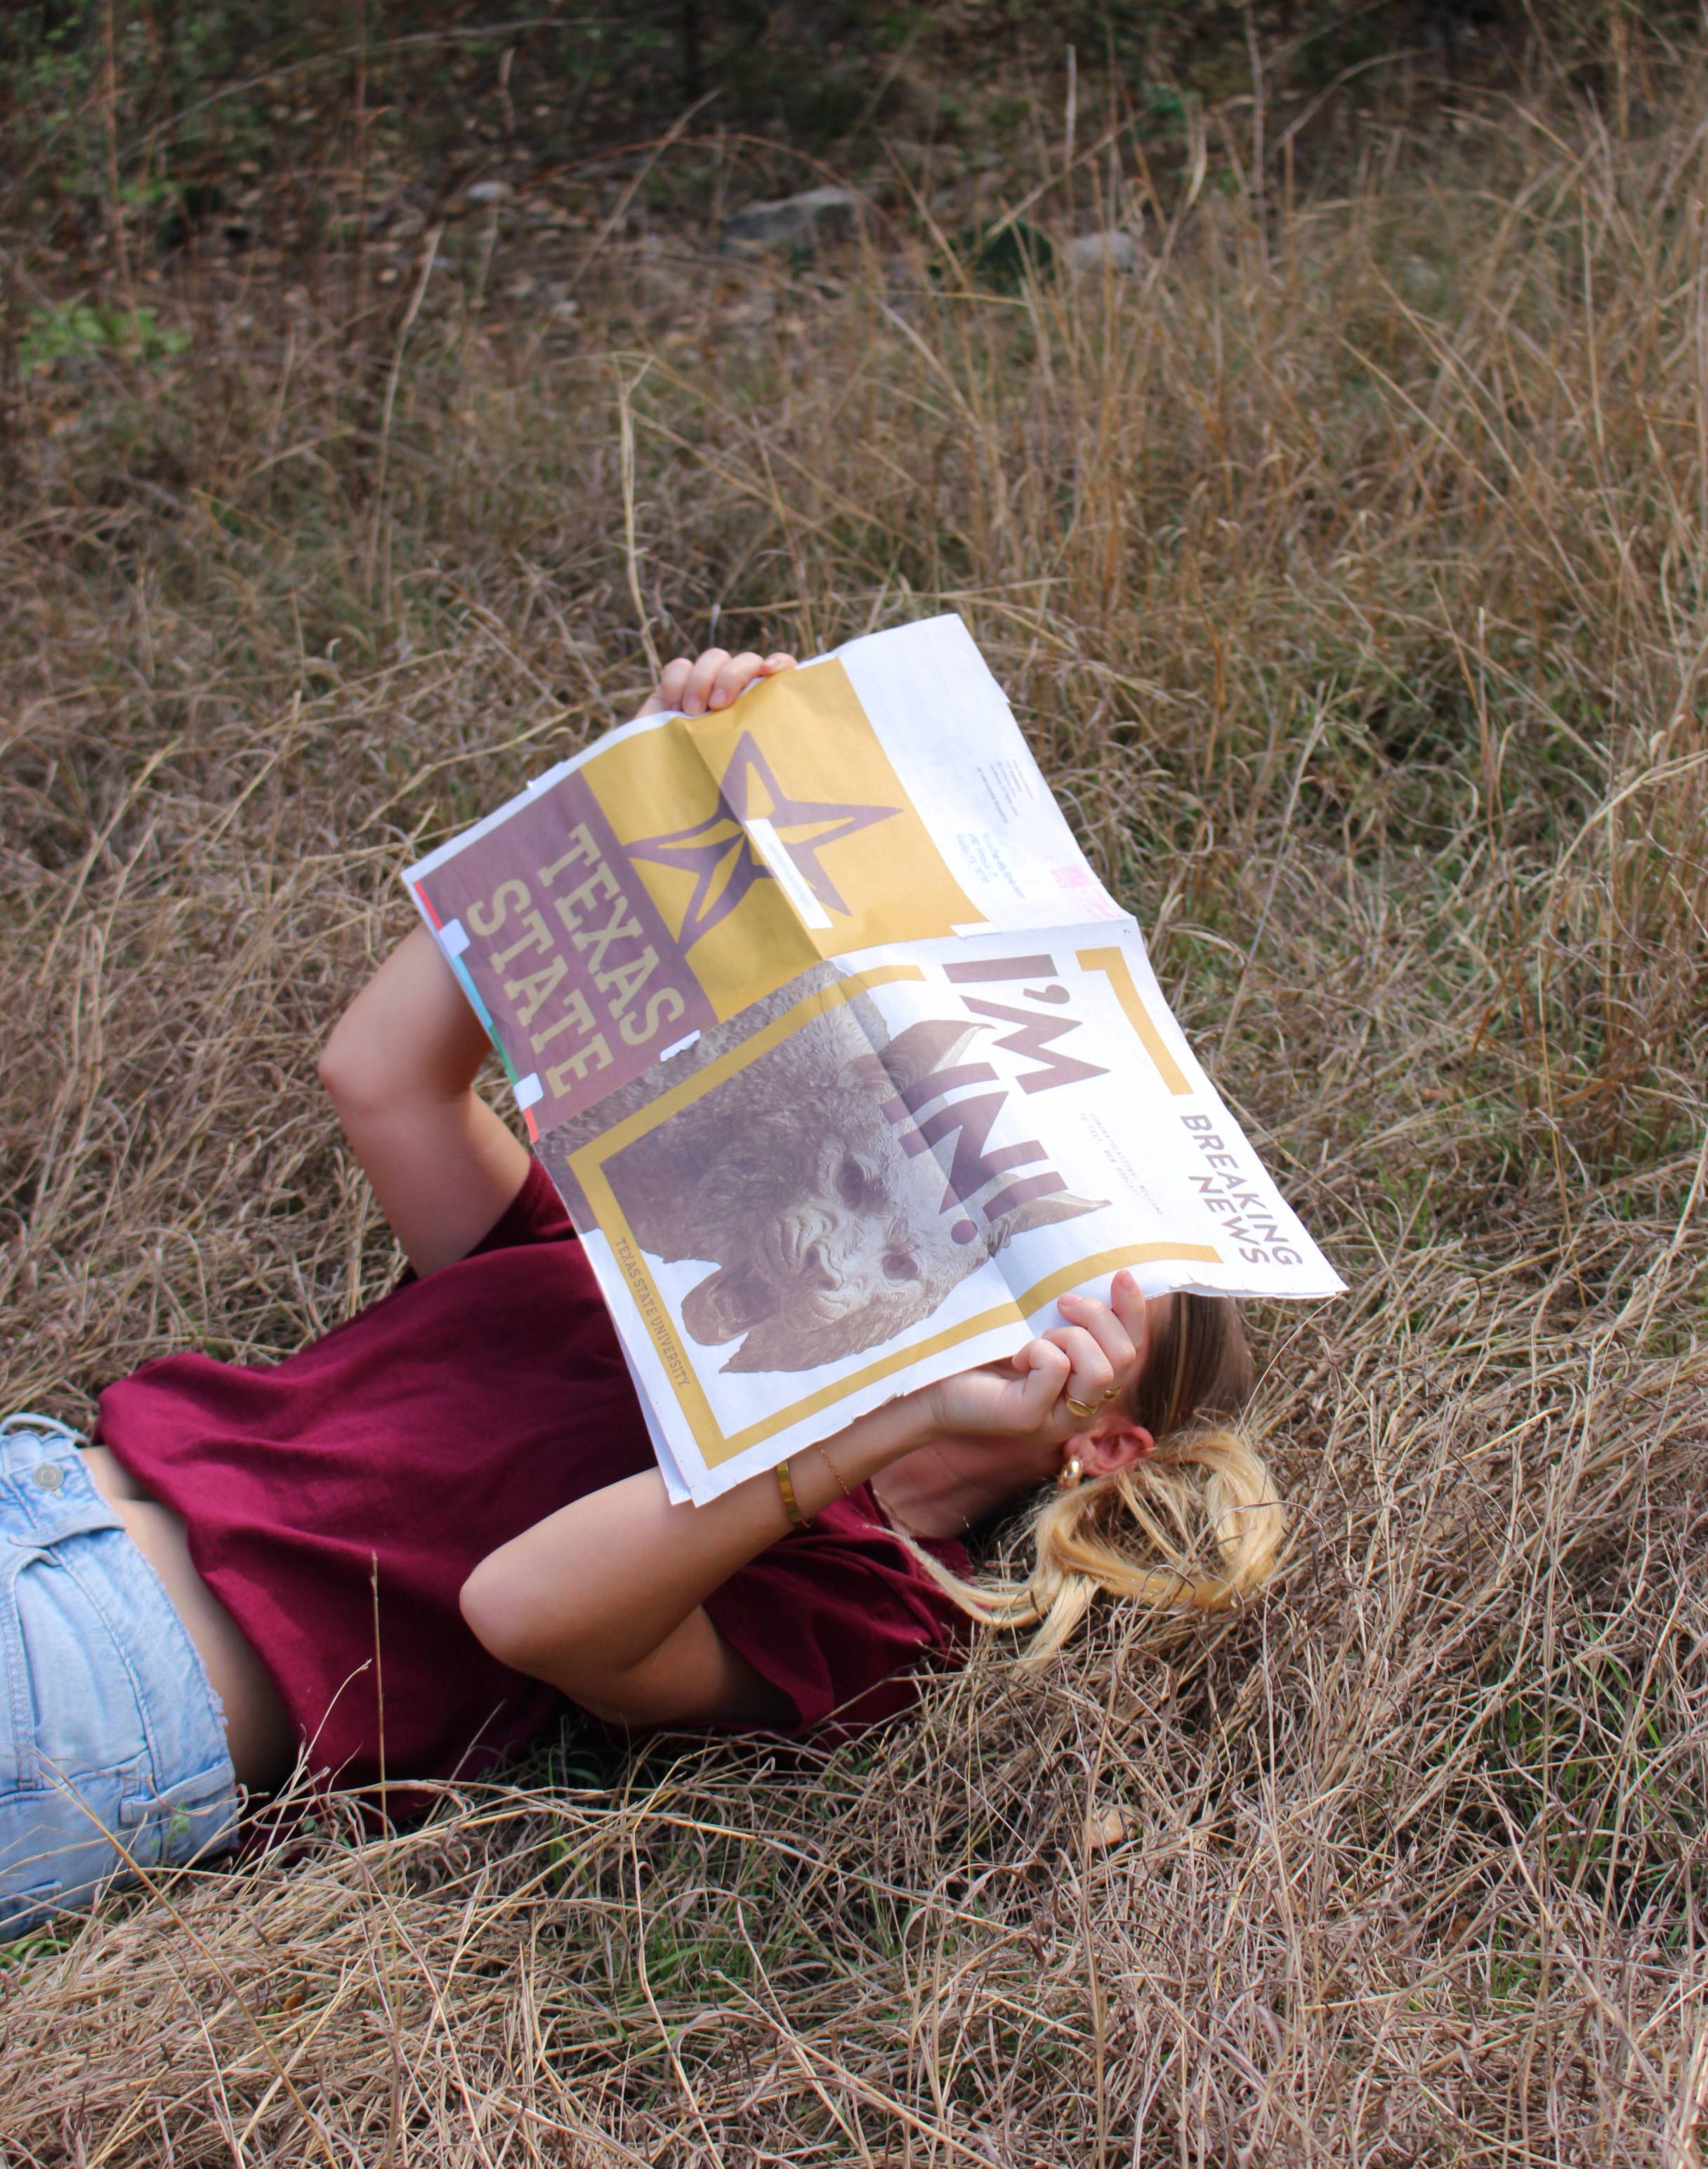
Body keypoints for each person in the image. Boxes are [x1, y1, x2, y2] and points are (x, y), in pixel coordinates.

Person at [1, 648, 1282, 1939]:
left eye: (1070, 1285)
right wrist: (631, 792)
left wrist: (902, 1413)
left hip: (115, 1674)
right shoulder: (627, 1273)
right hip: (48, 1480)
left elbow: (527, 1609)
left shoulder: (885, 1597)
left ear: (1105, 1444)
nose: (996, 1261)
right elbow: (380, 1076)